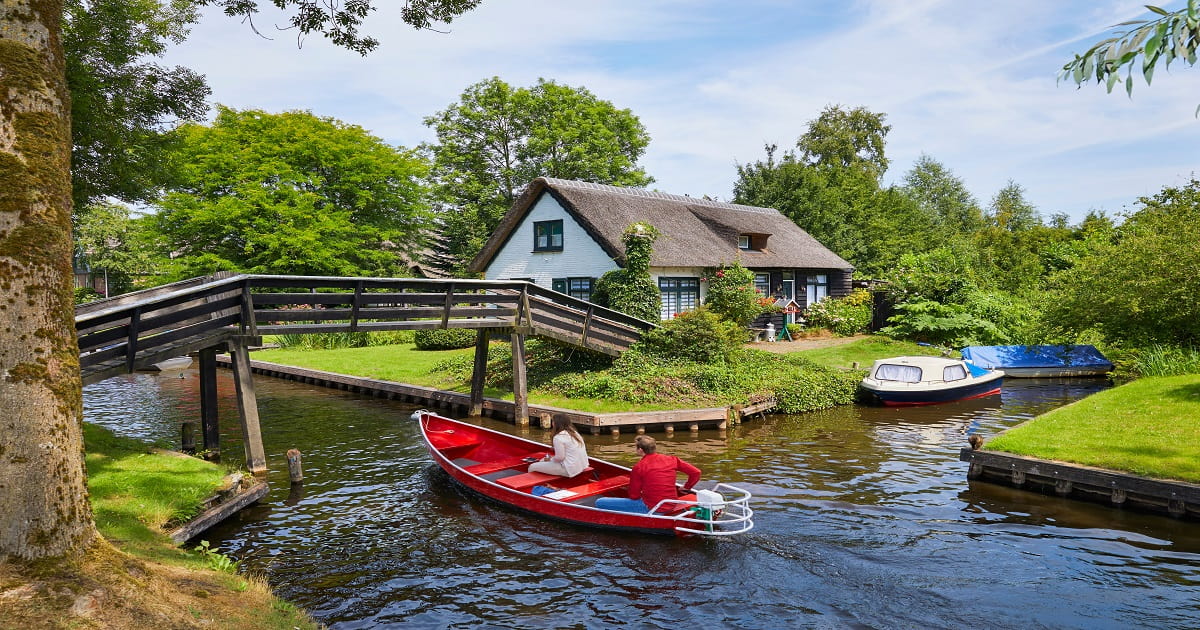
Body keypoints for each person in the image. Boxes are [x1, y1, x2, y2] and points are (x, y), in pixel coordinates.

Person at [595, 435, 700, 514]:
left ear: (640, 450)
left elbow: (634, 496)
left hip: (652, 507)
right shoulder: (672, 459)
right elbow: (696, 472)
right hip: (672, 503)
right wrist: (687, 487)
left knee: (600, 502)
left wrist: (641, 492)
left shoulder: (639, 467)